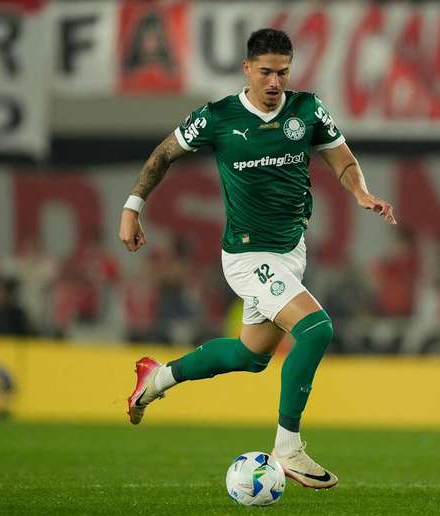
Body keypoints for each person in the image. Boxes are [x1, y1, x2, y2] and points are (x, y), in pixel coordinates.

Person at [118, 28, 395, 490]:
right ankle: (288, 446)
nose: (274, 82)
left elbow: (341, 159)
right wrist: (132, 208)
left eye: (282, 72)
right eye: (265, 72)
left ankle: (156, 378)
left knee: (251, 355)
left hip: (290, 253)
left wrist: (360, 192)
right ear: (247, 69)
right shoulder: (219, 117)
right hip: (248, 255)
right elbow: (164, 155)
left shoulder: (306, 109)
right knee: (316, 328)